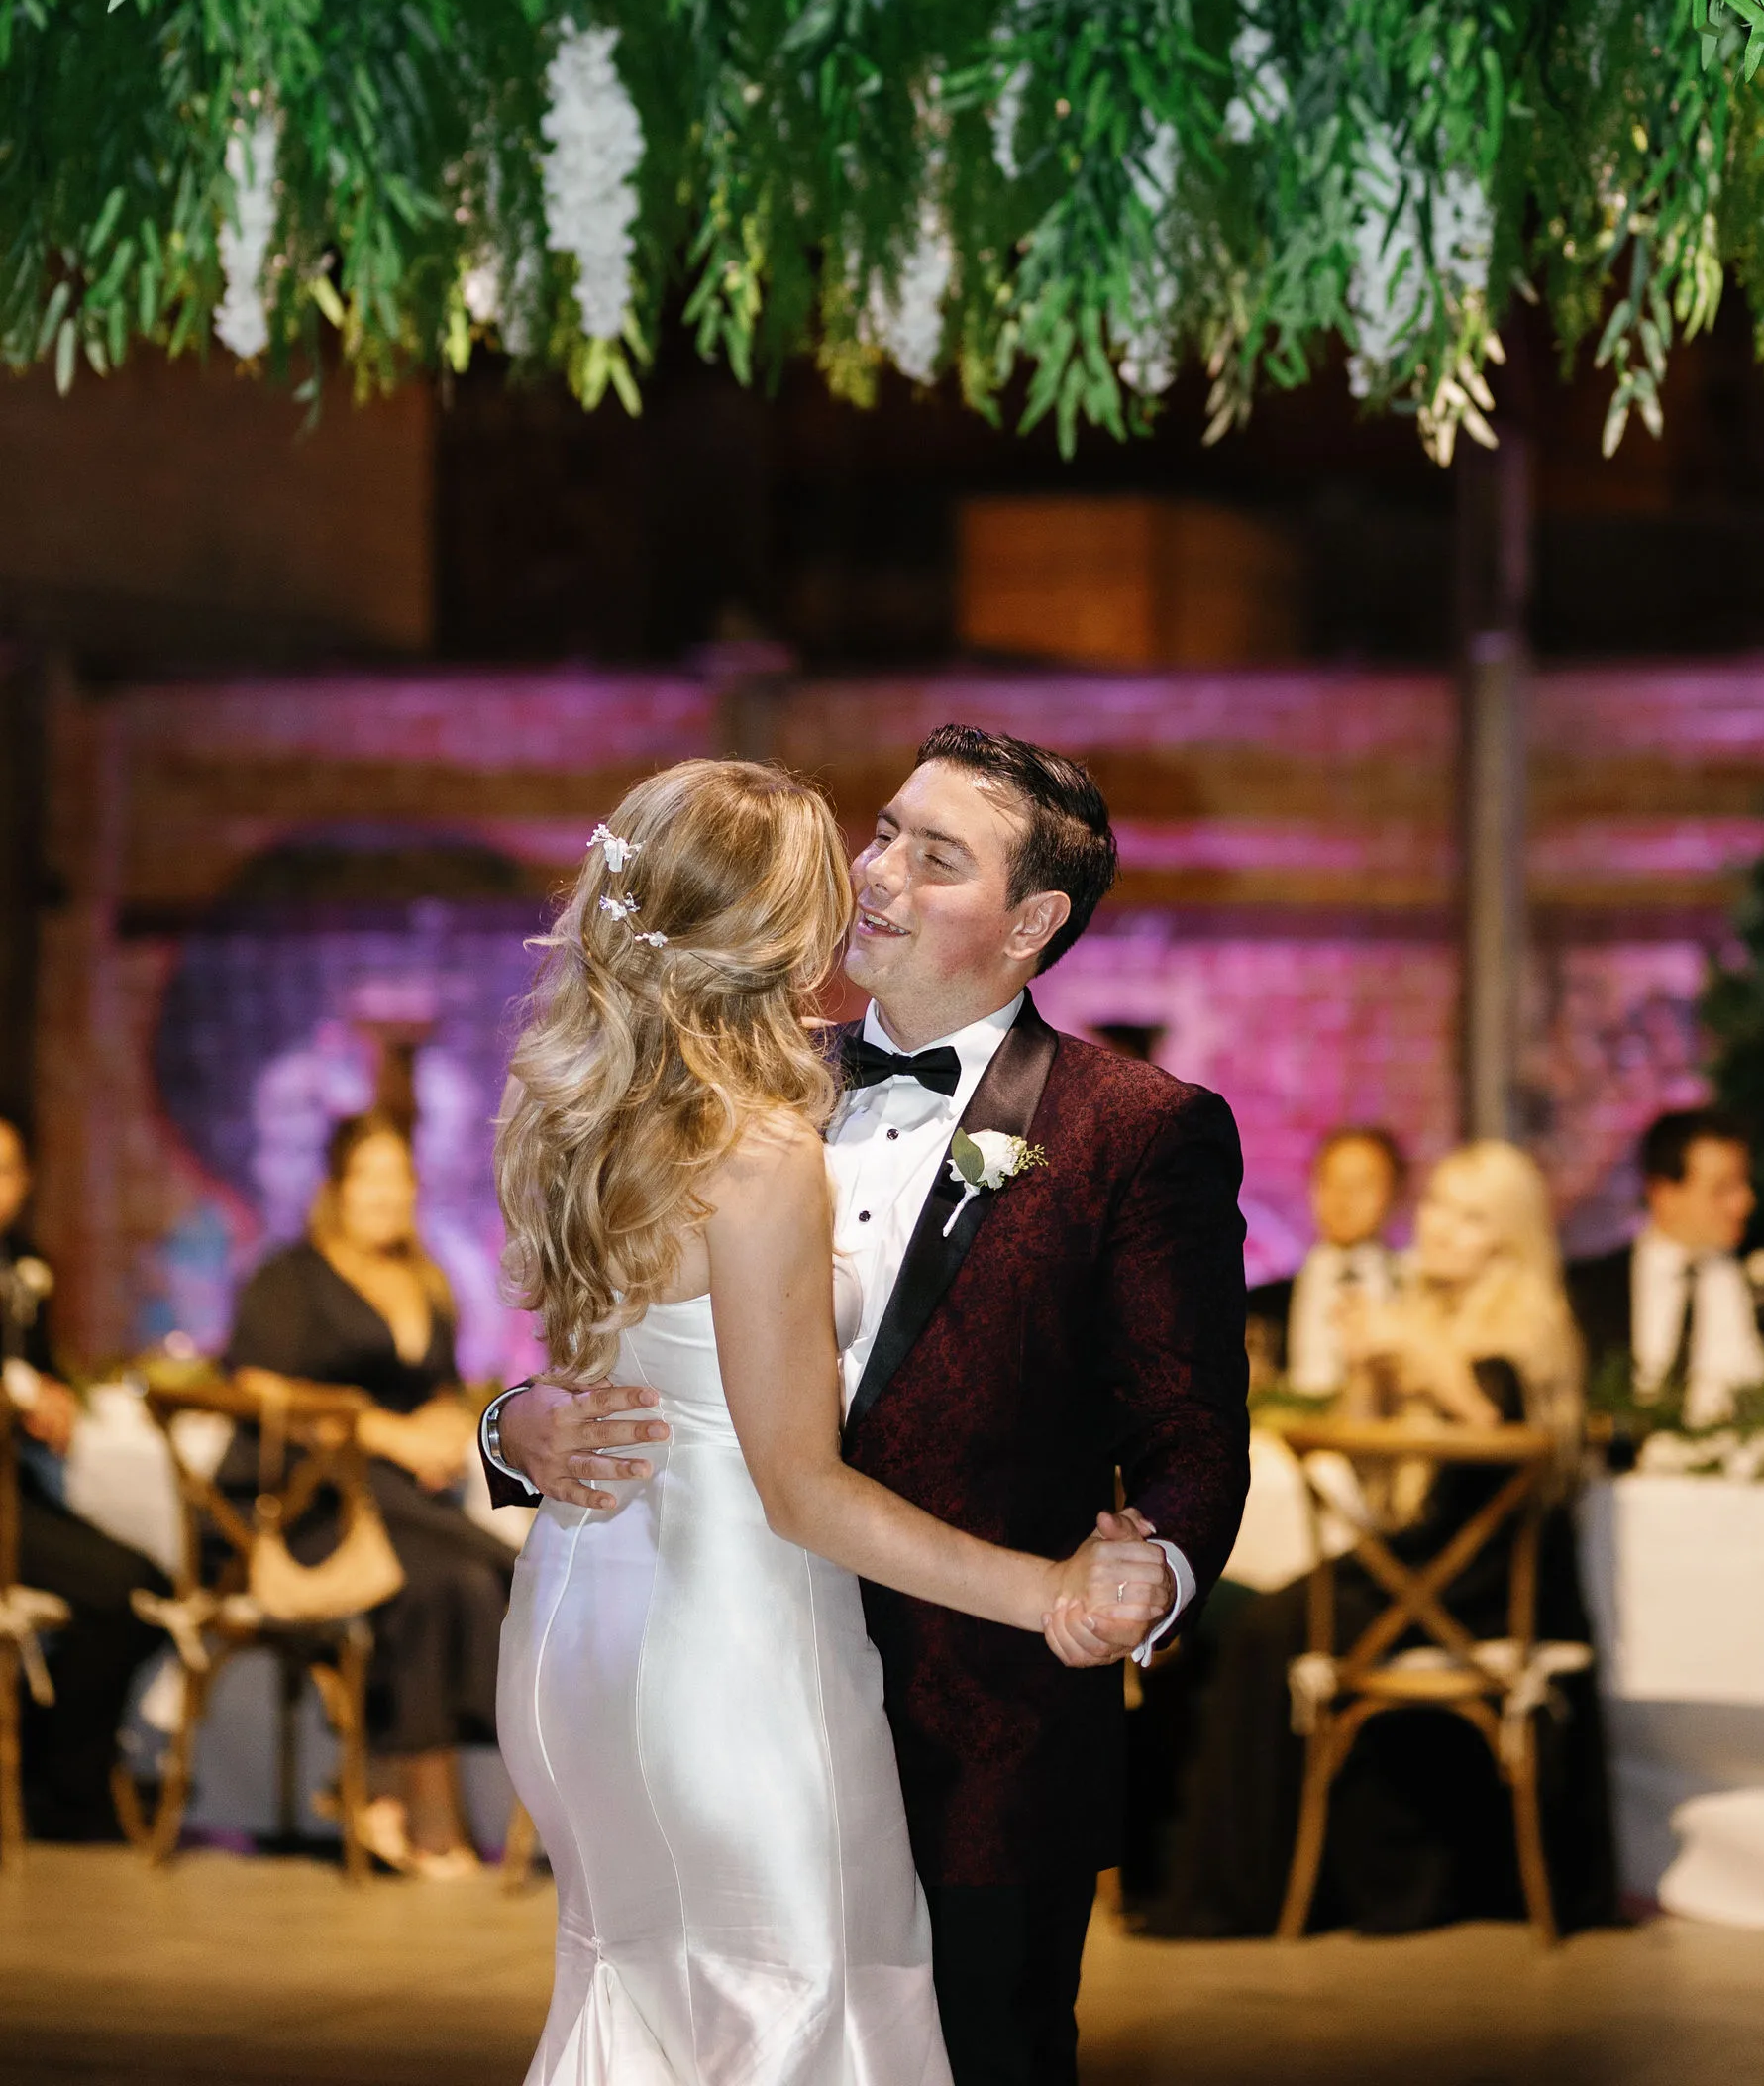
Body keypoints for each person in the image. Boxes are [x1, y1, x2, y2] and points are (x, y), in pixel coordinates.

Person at [485, 733, 1251, 2086]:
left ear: (1032, 923)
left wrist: (1153, 1574)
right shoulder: (732, 1082)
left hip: (981, 1726)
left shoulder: (1139, 1127)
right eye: (884, 831)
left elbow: (1192, 1430)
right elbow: (616, 1350)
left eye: (932, 855)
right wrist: (514, 1428)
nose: (876, 873)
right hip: (732, 1679)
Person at [1143, 1139, 1616, 1940]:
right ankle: (1198, 1876)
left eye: (1469, 1218)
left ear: (1505, 1234)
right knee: (1225, 1618)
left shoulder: (1531, 1324)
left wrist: (1421, 1360)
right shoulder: (1422, 1316)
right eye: (1436, 1206)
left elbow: (1498, 1423)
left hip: (1493, 1574)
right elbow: (1369, 1475)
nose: (1439, 1228)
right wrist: (1368, 1368)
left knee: (1265, 1631)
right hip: (1417, 1561)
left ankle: (1239, 1900)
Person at [223, 1108, 514, 1874]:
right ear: (337, 1188)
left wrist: (442, 1430)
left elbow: (444, 1389)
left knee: (497, 1572)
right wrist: (384, 1435)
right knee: (438, 1581)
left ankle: (381, 1785)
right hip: (309, 1502)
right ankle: (423, 1808)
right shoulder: (291, 1277)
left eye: (399, 1178)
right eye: (369, 1178)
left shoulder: (425, 1278)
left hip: (401, 1499)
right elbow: (255, 1384)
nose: (387, 1195)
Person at [0, 1116, 168, 1840]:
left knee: (140, 1588)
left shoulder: (24, 1265)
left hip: (15, 1495)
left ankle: (65, 1777)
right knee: (117, 1594)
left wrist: (49, 1390)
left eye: (6, 1170)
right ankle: (65, 1788)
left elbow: (35, 1376)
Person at [1564, 1107, 1764, 1425]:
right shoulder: (1587, 1287)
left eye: (1744, 1184)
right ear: (1664, 1194)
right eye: (1722, 1189)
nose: (1744, 1202)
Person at [1284, 1127, 1404, 1395]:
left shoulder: (1415, 1290)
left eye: (1362, 1184)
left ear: (1394, 1193)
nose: (1344, 1197)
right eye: (1330, 1181)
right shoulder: (1263, 1305)